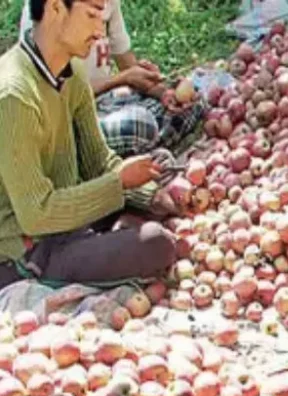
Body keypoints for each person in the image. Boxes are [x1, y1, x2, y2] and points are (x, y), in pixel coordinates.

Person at [0, 0, 178, 290]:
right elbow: (36, 214)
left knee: (155, 214)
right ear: (56, 9)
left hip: (67, 219)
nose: (99, 31)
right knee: (156, 244)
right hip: (26, 249)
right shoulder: (14, 96)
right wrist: (119, 183)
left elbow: (99, 163)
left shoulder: (72, 70)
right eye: (92, 14)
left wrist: (155, 195)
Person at [20, 0, 206, 157]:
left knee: (193, 102)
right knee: (140, 125)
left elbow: (126, 61)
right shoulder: (48, 13)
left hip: (104, 103)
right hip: (65, 120)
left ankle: (135, 151)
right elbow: (56, 95)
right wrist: (122, 79)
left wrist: (163, 93)